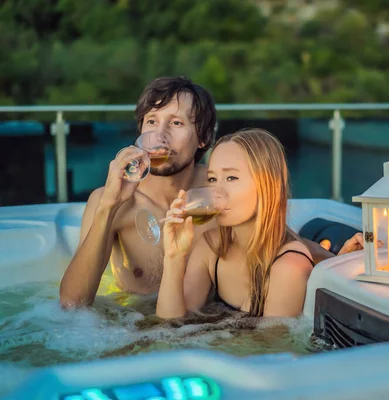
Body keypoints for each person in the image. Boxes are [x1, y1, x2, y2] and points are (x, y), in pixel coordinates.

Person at [59, 76, 334, 308]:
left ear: (203, 137)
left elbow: (278, 238)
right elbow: (72, 305)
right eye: (151, 122)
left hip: (205, 325)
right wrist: (109, 204)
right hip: (135, 323)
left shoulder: (221, 192)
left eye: (176, 123)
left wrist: (339, 260)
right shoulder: (109, 201)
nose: (160, 136)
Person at [156, 129, 315, 318]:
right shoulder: (211, 247)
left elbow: (272, 345)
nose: (217, 191)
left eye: (231, 178)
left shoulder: (289, 265)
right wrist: (173, 257)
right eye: (213, 179)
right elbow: (171, 327)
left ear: (268, 184)